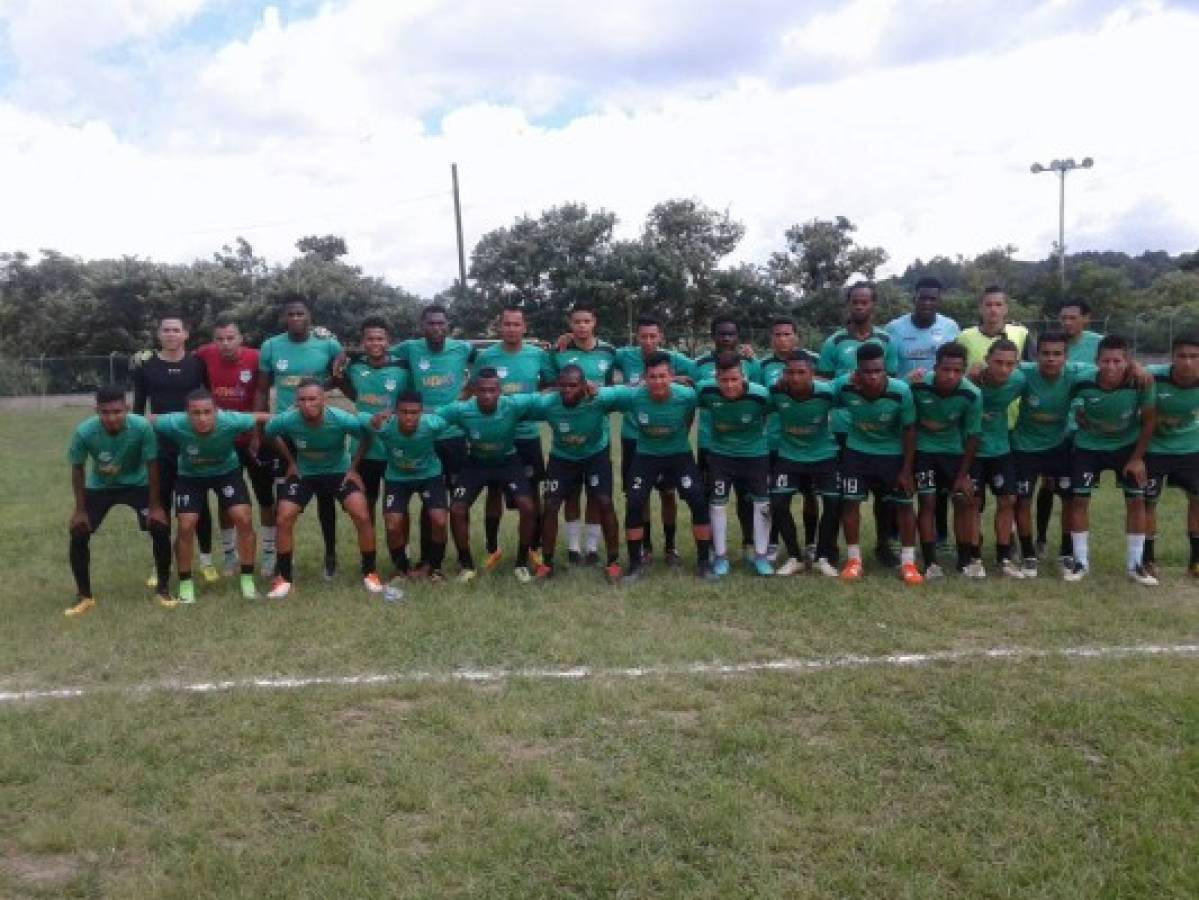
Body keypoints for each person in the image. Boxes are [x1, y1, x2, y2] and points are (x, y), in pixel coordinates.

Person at [264, 379, 382, 599]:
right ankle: (284, 578)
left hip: (339, 472)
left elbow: (366, 435)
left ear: (324, 400)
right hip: (305, 474)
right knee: (283, 517)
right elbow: (269, 433)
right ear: (296, 401)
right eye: (302, 400)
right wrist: (290, 460)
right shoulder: (288, 420)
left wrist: (354, 467)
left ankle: (370, 572)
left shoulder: (340, 418)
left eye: (312, 399)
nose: (307, 404)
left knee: (362, 514)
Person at [65, 386, 177, 616]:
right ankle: (84, 596)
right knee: (78, 532)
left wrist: (156, 507)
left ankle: (163, 590)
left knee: (160, 527)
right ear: (96, 411)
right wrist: (80, 510)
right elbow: (77, 469)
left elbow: (152, 465)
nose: (111, 418)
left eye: (117, 411)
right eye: (105, 412)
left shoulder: (141, 427)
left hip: (138, 484)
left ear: (126, 408)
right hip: (101, 486)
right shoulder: (85, 432)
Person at [150, 389, 269, 602]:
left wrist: (295, 414)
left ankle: (247, 579)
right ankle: (185, 583)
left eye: (207, 412)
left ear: (216, 411)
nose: (202, 418)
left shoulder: (231, 420)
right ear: (186, 413)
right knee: (186, 525)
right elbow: (148, 420)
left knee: (243, 518)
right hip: (190, 476)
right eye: (195, 413)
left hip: (226, 473)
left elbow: (261, 417)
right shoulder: (174, 423)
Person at [256, 297, 344, 579]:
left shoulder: (327, 343)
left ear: (310, 317)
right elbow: (261, 390)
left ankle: (330, 556)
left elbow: (340, 375)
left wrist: (315, 392)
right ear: (284, 317)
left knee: (326, 500)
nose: (295, 318)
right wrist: (260, 430)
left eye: (300, 313)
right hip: (286, 431)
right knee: (285, 498)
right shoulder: (271, 346)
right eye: (290, 313)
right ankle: (285, 561)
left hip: (318, 428)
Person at [610, 352, 715, 582]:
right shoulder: (633, 396)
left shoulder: (686, 396)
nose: (657, 382)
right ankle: (635, 565)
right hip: (646, 455)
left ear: (672, 376)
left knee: (698, 499)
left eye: (663, 376)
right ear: (644, 378)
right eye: (652, 377)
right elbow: (603, 394)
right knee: (635, 501)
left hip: (679, 455)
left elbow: (711, 388)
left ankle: (704, 562)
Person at [818, 282, 900, 566]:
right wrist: (846, 382)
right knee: (844, 494)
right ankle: (835, 548)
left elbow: (892, 381)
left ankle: (883, 545)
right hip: (844, 429)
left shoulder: (887, 341)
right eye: (855, 301)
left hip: (881, 431)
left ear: (873, 305)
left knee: (885, 497)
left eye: (865, 302)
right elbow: (824, 384)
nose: (860, 306)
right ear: (849, 303)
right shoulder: (834, 342)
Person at [436, 368, 544, 584]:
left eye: (492, 390)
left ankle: (521, 563)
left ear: (499, 391)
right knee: (457, 509)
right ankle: (466, 565)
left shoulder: (513, 405)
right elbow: (430, 420)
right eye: (482, 390)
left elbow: (547, 399)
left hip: (508, 461)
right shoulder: (461, 410)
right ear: (474, 390)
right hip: (476, 463)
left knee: (527, 506)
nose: (487, 395)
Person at [389, 304, 477, 567]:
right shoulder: (409, 348)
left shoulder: (462, 348)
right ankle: (428, 559)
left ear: (448, 325)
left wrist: (467, 392)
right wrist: (342, 356)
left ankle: (463, 557)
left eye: (441, 323)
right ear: (422, 325)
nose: (437, 328)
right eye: (431, 323)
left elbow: (490, 361)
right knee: (431, 500)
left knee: (459, 500)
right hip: (422, 435)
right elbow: (378, 354)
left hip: (453, 435)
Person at [1064, 335, 1157, 584]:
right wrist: (1077, 417)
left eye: (1118, 361)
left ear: (1128, 361)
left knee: (1137, 501)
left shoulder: (1141, 381)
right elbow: (1062, 391)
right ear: (1096, 361)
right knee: (1079, 499)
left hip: (1126, 447)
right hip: (1088, 446)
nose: (1111, 367)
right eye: (1106, 361)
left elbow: (1149, 421)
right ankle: (1081, 562)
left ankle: (1135, 565)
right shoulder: (1081, 379)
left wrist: (1137, 459)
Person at [132, 314, 215, 583]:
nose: (171, 334)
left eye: (176, 330)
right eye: (166, 330)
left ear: (185, 334)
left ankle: (205, 560)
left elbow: (209, 401)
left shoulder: (197, 364)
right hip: (160, 447)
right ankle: (160, 565)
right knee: (160, 504)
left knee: (198, 505)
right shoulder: (146, 366)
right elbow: (138, 408)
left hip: (193, 445)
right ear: (159, 335)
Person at [471, 305, 556, 569]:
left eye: (516, 324)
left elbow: (551, 382)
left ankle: (533, 546)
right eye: (506, 324)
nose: (511, 329)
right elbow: (475, 388)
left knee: (531, 493)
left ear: (524, 327)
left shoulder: (537, 355)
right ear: (500, 326)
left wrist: (529, 402)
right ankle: (492, 546)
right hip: (495, 434)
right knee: (493, 490)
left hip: (527, 434)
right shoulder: (487, 357)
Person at [832, 343, 922, 585]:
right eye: (867, 372)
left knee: (904, 505)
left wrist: (906, 469)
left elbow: (910, 430)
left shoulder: (901, 391)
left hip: (891, 456)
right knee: (850, 503)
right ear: (857, 372)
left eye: (878, 371)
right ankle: (853, 560)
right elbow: (821, 395)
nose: (873, 376)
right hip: (856, 452)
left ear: (885, 370)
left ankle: (908, 563)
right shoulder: (844, 386)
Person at [194, 319, 277, 576]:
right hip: (222, 441)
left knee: (265, 497)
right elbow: (177, 360)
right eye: (220, 338)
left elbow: (263, 394)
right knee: (226, 499)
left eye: (230, 337)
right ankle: (230, 555)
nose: (225, 343)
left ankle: (269, 553)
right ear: (213, 340)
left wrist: (257, 434)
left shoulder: (256, 357)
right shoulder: (204, 354)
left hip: (255, 440)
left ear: (241, 338)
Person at [612, 315, 695, 566]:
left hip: (667, 443)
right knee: (639, 496)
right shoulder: (623, 356)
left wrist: (677, 378)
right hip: (633, 438)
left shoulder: (673, 359)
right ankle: (645, 548)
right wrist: (569, 339)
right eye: (643, 336)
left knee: (668, 493)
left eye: (653, 336)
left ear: (660, 337)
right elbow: (597, 351)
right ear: (636, 337)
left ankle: (670, 547)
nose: (648, 341)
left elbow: (699, 372)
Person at [531, 365, 626, 581]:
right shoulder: (547, 404)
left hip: (595, 455)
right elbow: (517, 404)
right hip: (562, 458)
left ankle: (613, 561)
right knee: (552, 504)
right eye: (562, 385)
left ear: (584, 386)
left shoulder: (600, 398)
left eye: (573, 385)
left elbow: (633, 391)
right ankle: (547, 563)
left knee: (604, 501)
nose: (567, 390)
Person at [1010, 331, 1092, 577]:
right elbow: (992, 372)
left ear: (1066, 357)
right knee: (1022, 500)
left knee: (1070, 500)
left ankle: (1066, 553)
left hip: (1059, 446)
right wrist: (978, 370)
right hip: (1025, 447)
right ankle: (1028, 554)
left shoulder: (1078, 373)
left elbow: (1110, 370)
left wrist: (1136, 369)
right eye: (1045, 353)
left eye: (1057, 354)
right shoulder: (1023, 373)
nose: (1051, 359)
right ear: (1036, 356)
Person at [364, 391, 454, 597]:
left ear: (421, 413)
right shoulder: (385, 427)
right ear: (396, 412)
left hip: (429, 475)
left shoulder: (432, 424)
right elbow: (362, 421)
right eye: (404, 412)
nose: (409, 417)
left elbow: (454, 416)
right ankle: (401, 568)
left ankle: (434, 568)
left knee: (439, 520)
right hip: (397, 477)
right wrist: (374, 418)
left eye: (414, 412)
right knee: (393, 522)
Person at [550, 304, 618, 565]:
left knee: (596, 495)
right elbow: (548, 384)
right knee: (570, 495)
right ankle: (574, 548)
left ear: (594, 322)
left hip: (596, 434)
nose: (581, 326)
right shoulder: (560, 351)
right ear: (570, 324)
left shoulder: (610, 352)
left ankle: (591, 548)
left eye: (586, 321)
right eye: (576, 321)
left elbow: (612, 389)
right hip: (566, 437)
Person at [692, 316, 763, 563]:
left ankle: (749, 544)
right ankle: (713, 547)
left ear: (738, 336)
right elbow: (694, 395)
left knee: (746, 498)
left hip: (746, 445)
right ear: (713, 336)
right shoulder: (699, 363)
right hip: (710, 443)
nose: (726, 338)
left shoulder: (751, 363)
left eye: (731, 334)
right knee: (712, 496)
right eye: (721, 334)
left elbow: (761, 396)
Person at [909, 342, 983, 578]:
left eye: (957, 371)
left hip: (953, 452)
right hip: (923, 451)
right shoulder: (918, 386)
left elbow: (973, 436)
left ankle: (964, 560)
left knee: (963, 500)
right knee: (928, 502)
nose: (951, 376)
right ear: (935, 367)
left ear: (963, 371)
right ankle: (931, 562)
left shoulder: (972, 394)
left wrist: (962, 475)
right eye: (945, 369)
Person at [697, 353, 773, 577]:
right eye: (724, 380)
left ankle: (760, 556)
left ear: (743, 377)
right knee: (718, 504)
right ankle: (720, 556)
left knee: (762, 504)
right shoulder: (706, 391)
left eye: (734, 380)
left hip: (755, 455)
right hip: (721, 455)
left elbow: (772, 411)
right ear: (716, 378)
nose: (729, 385)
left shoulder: (760, 395)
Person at [767, 351, 841, 577]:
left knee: (833, 504)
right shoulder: (776, 393)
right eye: (790, 372)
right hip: (789, 455)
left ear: (812, 374)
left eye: (801, 372)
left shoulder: (827, 393)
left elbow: (852, 397)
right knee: (778, 503)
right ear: (784, 374)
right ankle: (794, 557)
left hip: (823, 455)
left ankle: (822, 557)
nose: (796, 378)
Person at [334, 317, 409, 520]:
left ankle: (404, 551)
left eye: (380, 339)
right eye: (370, 339)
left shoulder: (403, 368)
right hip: (364, 447)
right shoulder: (355, 366)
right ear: (362, 342)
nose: (375, 343)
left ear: (388, 341)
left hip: (394, 445)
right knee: (367, 502)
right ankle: (370, 549)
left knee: (398, 506)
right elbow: (346, 386)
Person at [967, 339, 1027, 578]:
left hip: (1001, 448)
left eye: (1009, 364)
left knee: (1008, 500)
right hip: (972, 450)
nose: (1003, 369)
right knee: (972, 503)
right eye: (998, 362)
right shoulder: (970, 381)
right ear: (987, 360)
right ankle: (974, 558)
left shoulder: (1019, 380)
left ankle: (1004, 557)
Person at [1143, 335, 1199, 577]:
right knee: (1147, 502)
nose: (1187, 362)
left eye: (1194, 357)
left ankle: (1196, 562)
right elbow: (1129, 368)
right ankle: (1148, 558)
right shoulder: (1152, 375)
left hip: (1190, 448)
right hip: (1153, 448)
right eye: (1182, 356)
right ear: (1172, 357)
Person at [758, 317, 812, 562]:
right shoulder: (762, 365)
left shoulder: (813, 359)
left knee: (811, 495)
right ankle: (772, 542)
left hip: (808, 442)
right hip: (774, 441)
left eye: (787, 334)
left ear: (796, 336)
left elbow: (825, 388)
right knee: (777, 496)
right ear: (771, 338)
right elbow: (757, 399)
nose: (782, 339)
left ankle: (811, 543)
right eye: (777, 335)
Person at [886, 277, 962, 377]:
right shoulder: (893, 328)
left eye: (932, 299)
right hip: (905, 391)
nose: (927, 303)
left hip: (938, 392)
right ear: (914, 299)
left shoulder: (951, 327)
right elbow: (886, 370)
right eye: (923, 298)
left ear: (939, 301)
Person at [956, 286, 1033, 368]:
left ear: (1006, 308)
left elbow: (1033, 368)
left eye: (998, 305)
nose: (993, 309)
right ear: (980, 308)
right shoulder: (964, 337)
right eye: (988, 305)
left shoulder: (1021, 334)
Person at [1059, 298, 1103, 364]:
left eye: (1072, 318)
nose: (1067, 323)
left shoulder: (1100, 343)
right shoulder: (1050, 345)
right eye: (1064, 318)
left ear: (1086, 318)